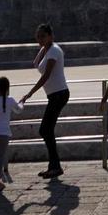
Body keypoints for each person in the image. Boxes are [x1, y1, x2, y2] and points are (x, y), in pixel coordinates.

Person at [20, 22, 69, 178]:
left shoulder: (54, 51)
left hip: (59, 94)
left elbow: (46, 75)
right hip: (54, 95)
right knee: (46, 129)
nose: (39, 39)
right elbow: (36, 64)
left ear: (50, 36)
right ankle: (53, 166)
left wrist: (30, 93)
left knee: (45, 129)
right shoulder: (47, 50)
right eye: (38, 36)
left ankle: (55, 166)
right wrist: (43, 46)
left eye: (43, 36)